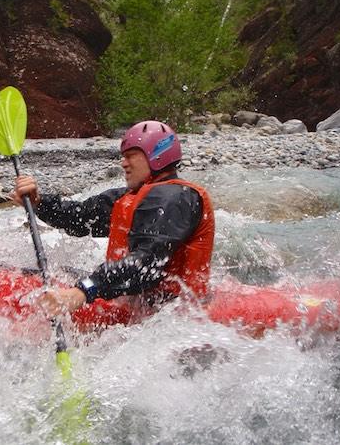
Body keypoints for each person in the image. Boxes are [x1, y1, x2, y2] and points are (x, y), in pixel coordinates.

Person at [13, 120, 215, 321]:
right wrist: (39, 202)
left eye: (130, 156)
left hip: (170, 312)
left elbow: (146, 265)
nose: (123, 163)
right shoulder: (130, 198)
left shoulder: (176, 199)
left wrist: (84, 290)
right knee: (52, 273)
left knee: (71, 282)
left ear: (157, 156)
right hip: (134, 300)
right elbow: (79, 217)